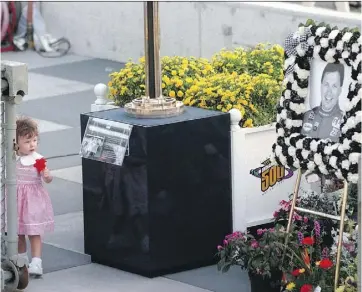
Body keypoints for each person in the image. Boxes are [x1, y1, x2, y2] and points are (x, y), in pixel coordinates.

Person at [16, 117, 54, 276]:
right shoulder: (13, 158)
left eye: (34, 140)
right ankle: (21, 258)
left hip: (33, 202)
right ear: (16, 143)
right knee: (17, 232)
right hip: (17, 201)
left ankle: (37, 262)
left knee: (34, 231)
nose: (32, 144)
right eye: (27, 141)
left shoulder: (37, 159)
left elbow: (48, 178)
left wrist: (46, 175)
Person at [301, 63, 345, 142]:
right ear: (321, 86)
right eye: (326, 85)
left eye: (334, 86)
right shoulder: (307, 115)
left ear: (340, 90)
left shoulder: (344, 121)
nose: (329, 92)